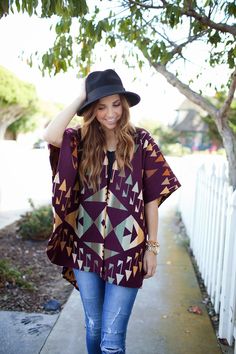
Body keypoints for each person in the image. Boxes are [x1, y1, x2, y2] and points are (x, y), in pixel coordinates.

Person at [43, 69, 181, 354]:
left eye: (116, 104)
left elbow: (151, 198)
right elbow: (50, 134)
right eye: (101, 106)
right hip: (85, 247)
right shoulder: (79, 141)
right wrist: (83, 94)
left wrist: (152, 248)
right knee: (93, 326)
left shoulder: (141, 141)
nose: (110, 113)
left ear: (125, 105)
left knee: (112, 342)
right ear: (91, 110)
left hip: (127, 251)